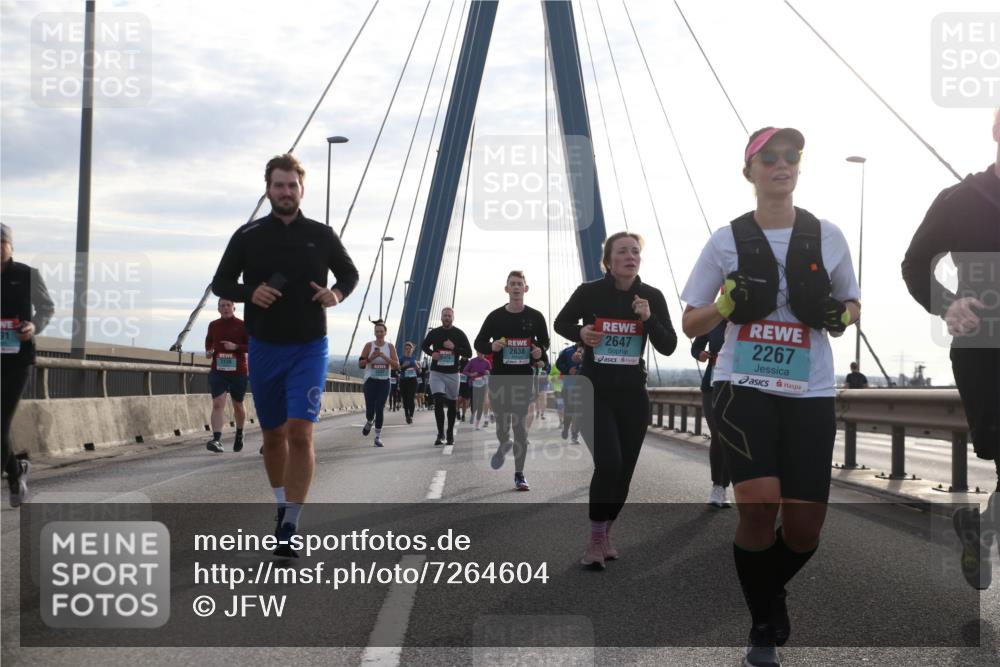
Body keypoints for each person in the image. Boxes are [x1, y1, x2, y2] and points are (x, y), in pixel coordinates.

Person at [680, 127, 860, 666]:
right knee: (758, 505)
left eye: (791, 156)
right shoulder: (725, 239)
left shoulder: (828, 236)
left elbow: (852, 304)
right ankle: (762, 626)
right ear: (750, 170)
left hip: (809, 392)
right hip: (744, 387)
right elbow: (691, 321)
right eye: (769, 157)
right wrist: (725, 308)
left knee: (804, 530)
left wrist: (840, 315)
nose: (781, 164)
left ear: (798, 167)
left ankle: (768, 591)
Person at [212, 153, 359, 557]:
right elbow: (220, 281)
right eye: (279, 185)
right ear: (268, 189)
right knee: (273, 435)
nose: (286, 192)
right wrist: (249, 292)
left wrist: (336, 294)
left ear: (301, 189)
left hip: (310, 347)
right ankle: (281, 504)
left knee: (301, 432)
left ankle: (291, 522)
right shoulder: (249, 235)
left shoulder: (322, 234)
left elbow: (349, 274)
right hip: (264, 348)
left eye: (292, 185)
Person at [902, 108, 1000, 591]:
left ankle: (980, 531)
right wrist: (947, 304)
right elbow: (915, 264)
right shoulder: (960, 199)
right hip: (985, 349)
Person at [555, 232, 677, 570]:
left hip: (632, 395)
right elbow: (561, 322)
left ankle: (606, 532)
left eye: (635, 251)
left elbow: (669, 345)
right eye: (622, 251)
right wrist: (580, 333)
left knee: (624, 472)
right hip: (594, 391)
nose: (630, 256)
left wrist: (649, 319)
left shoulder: (651, 296)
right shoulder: (590, 292)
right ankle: (595, 539)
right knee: (608, 463)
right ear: (608, 261)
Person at [474, 271, 550, 491]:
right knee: (502, 425)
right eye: (512, 284)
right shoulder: (495, 317)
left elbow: (544, 345)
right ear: (506, 289)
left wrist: (539, 354)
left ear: (526, 289)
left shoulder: (536, 317)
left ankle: (519, 474)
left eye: (520, 284)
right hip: (499, 378)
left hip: (523, 379)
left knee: (519, 426)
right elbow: (479, 342)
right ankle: (503, 444)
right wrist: (492, 347)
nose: (516, 287)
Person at [1, 223, 54, 508]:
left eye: (1, 242)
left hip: (18, 359)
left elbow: (47, 308)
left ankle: (13, 474)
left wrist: (34, 325)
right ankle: (16, 471)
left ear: (10, 246)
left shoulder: (26, 275)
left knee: (1, 422)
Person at [692, 320, 730, 507]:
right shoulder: (713, 320)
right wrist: (700, 353)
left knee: (731, 438)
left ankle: (726, 486)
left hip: (740, 386)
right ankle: (717, 487)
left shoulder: (749, 320)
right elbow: (696, 346)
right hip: (712, 385)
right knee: (717, 433)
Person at [421, 307, 473, 446]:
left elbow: (469, 353)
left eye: (449, 316)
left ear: (453, 318)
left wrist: (454, 348)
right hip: (437, 372)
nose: (447, 318)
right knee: (438, 400)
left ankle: (449, 433)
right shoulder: (435, 333)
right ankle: (440, 434)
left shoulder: (459, 334)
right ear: (441, 317)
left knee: (451, 404)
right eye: (445, 315)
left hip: (452, 374)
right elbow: (424, 346)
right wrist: (432, 354)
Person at [204, 298, 249, 453]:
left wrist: (236, 347)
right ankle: (216, 440)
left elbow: (251, 346)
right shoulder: (213, 325)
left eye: (228, 305)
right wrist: (209, 351)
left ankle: (240, 432)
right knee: (218, 403)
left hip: (238, 372)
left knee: (238, 404)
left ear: (234, 308)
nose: (225, 308)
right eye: (222, 306)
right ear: (218, 309)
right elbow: (209, 342)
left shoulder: (242, 325)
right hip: (218, 371)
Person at [359, 320, 399, 447]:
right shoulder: (368, 346)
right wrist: (372, 358)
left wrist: (383, 356)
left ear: (385, 333)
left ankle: (377, 437)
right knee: (370, 410)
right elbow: (361, 364)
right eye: (377, 332)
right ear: (374, 333)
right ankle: (370, 421)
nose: (379, 334)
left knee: (379, 408)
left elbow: (397, 365)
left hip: (384, 382)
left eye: (381, 331)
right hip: (370, 381)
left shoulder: (390, 347)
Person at [555, 343, 584, 444]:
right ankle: (566, 428)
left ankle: (575, 435)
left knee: (580, 411)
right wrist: (568, 370)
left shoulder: (592, 351)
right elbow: (558, 364)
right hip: (568, 386)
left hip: (584, 386)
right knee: (570, 410)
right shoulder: (567, 351)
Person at [463, 351, 492, 429]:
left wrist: (488, 372)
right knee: (476, 403)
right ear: (477, 353)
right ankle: (474, 415)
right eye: (479, 353)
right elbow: (465, 371)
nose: (481, 354)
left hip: (484, 383)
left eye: (483, 353)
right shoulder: (472, 361)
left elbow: (490, 372)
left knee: (483, 401)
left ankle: (479, 422)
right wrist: (471, 374)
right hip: (475, 384)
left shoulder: (487, 362)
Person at [398, 341, 420, 424]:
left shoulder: (414, 359)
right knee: (405, 399)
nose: (408, 350)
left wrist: (418, 368)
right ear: (404, 350)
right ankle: (406, 414)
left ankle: (411, 416)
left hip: (413, 381)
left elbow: (419, 371)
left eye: (409, 349)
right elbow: (397, 368)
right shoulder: (401, 358)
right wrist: (403, 366)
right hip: (403, 380)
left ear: (412, 350)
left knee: (411, 398)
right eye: (406, 349)